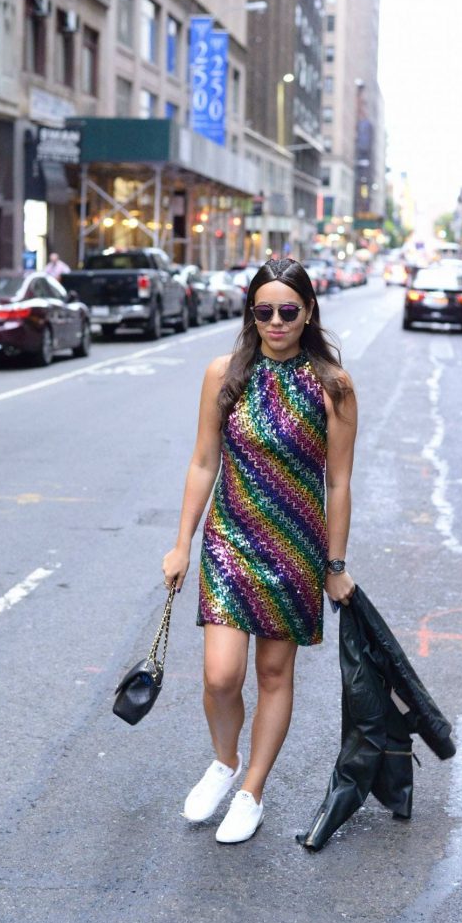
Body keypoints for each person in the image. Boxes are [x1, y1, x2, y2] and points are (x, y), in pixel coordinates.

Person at [162, 257, 357, 844]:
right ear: (252, 313)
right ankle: (224, 761)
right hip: (231, 538)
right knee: (222, 676)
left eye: (288, 311)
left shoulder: (333, 387)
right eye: (265, 310)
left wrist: (336, 565)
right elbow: (203, 462)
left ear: (309, 312)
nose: (276, 321)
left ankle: (252, 790)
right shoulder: (224, 375)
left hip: (296, 546)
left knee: (274, 672)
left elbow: (340, 482)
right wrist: (181, 544)